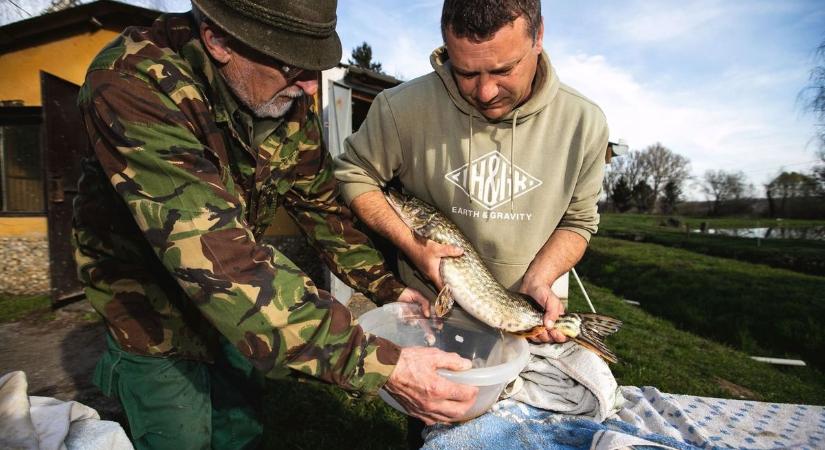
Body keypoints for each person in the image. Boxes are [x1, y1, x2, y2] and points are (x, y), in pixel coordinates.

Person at [72, 0, 477, 448]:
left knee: (242, 431)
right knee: (180, 435)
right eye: (293, 66)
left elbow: (325, 213)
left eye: (314, 67)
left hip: (242, 312)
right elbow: (217, 256)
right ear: (218, 41)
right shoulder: (134, 83)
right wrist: (381, 364)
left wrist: (388, 287)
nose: (308, 85)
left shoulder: (284, 100)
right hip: (151, 313)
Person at [336, 0, 608, 346]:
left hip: (523, 319)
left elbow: (578, 222)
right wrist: (411, 245)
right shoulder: (400, 107)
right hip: (426, 321)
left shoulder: (584, 124)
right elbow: (354, 173)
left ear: (538, 37)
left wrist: (540, 280)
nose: (485, 92)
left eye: (504, 70)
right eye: (465, 73)